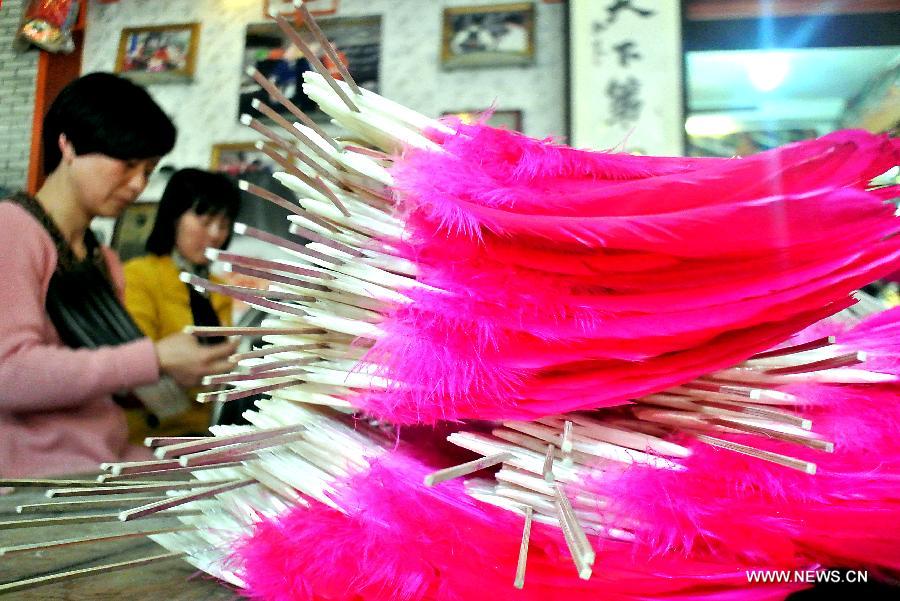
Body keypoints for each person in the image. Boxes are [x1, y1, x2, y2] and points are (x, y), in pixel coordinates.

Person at [0, 73, 237, 478]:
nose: (138, 184)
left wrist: (176, 376)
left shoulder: (103, 260)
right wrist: (155, 357)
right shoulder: (13, 230)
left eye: (148, 169)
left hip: (109, 460)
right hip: (39, 478)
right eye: (127, 165)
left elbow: (106, 388)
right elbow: (10, 374)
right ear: (68, 145)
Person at [123, 169, 241, 440]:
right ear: (174, 217)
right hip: (146, 440)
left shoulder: (217, 290)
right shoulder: (140, 275)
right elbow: (131, 368)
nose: (215, 235)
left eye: (224, 224)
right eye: (206, 220)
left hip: (204, 433)